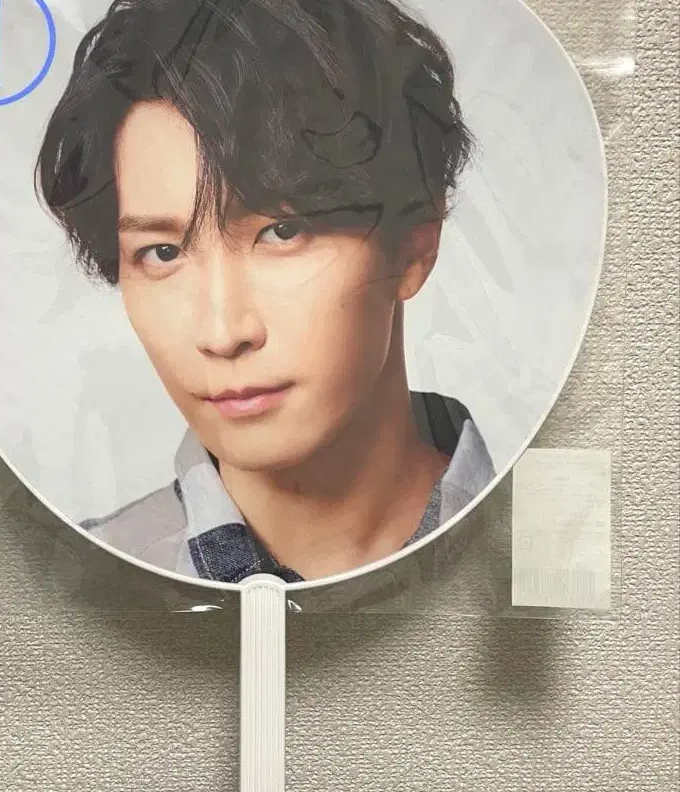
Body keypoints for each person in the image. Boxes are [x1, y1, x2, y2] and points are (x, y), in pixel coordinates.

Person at [34, 0, 496, 583]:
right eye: (163, 253)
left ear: (414, 243)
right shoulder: (72, 594)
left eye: (282, 232)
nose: (222, 332)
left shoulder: (555, 551)